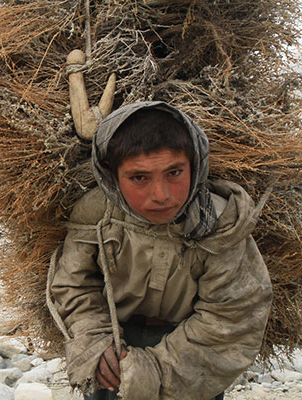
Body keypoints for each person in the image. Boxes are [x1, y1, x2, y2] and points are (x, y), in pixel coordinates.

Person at [46, 101, 272, 400]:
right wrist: (95, 343)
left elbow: (231, 316)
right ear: (111, 176)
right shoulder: (96, 213)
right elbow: (74, 284)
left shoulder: (219, 224)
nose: (161, 195)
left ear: (195, 165)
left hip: (191, 358)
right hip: (114, 348)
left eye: (174, 173)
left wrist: (151, 370)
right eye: (139, 178)